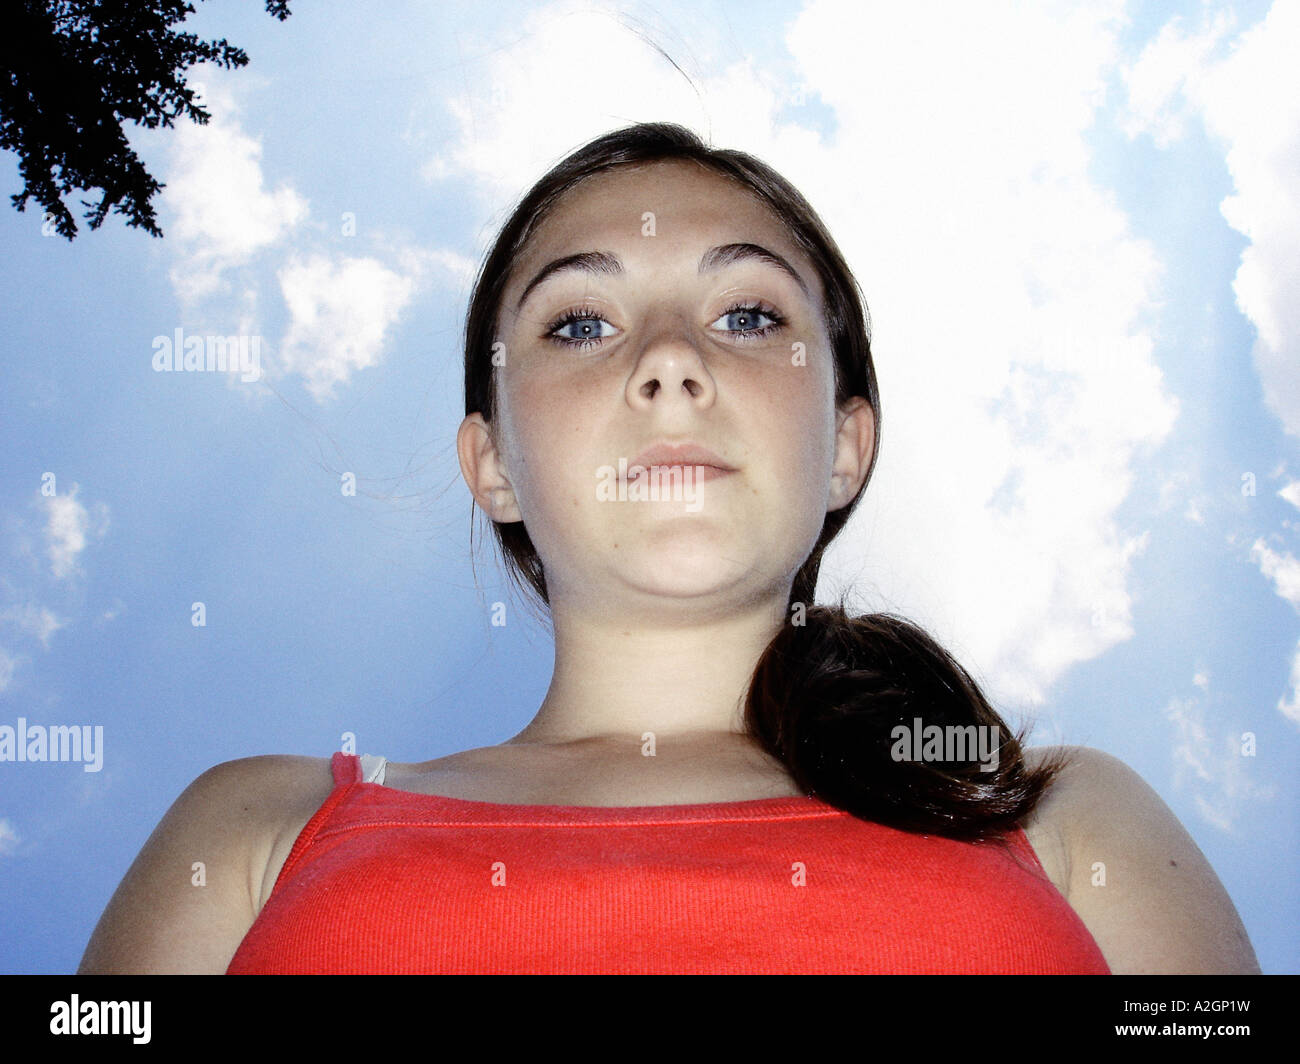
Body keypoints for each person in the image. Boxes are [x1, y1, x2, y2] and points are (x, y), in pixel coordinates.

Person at [79, 123, 1260, 975]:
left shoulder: (1053, 813)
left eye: (749, 315)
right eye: (579, 322)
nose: (670, 360)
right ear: (491, 462)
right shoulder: (256, 829)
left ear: (845, 443)